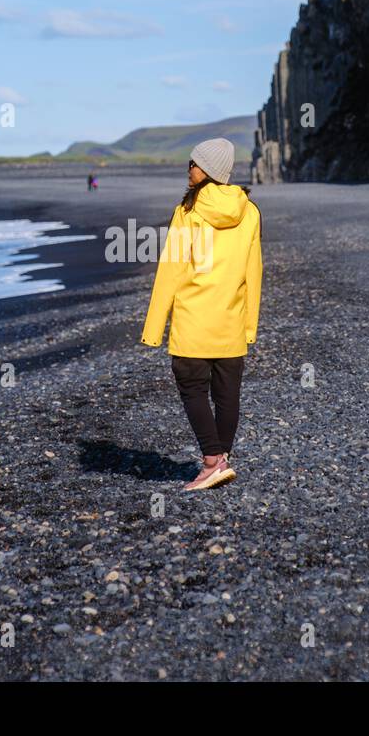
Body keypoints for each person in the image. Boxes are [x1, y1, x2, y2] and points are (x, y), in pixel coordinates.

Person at [141, 137, 262, 491]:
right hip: (230, 320)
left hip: (194, 319)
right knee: (227, 394)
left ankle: (212, 462)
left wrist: (154, 328)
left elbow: (171, 270)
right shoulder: (250, 211)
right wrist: (249, 325)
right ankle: (221, 459)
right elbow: (253, 272)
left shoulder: (188, 211)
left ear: (207, 170)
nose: (188, 169)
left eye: (193, 164)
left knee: (192, 389)